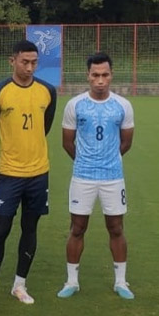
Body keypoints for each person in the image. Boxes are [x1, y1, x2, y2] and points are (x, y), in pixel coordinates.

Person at [0, 40, 57, 316]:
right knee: (0, 230)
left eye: (34, 62)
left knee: (30, 229)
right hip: (9, 174)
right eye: (25, 61)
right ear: (13, 61)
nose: (30, 67)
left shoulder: (48, 91)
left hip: (38, 173)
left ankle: (19, 285)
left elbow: (44, 128)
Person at [57, 52, 135, 300]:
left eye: (105, 75)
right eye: (95, 75)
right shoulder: (75, 105)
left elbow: (126, 142)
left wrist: (108, 161)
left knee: (116, 227)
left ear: (111, 75)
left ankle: (121, 282)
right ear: (87, 76)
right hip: (83, 177)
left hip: (113, 177)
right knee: (77, 227)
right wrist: (86, 162)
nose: (100, 80)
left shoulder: (123, 105)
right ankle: (72, 281)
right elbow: (67, 143)